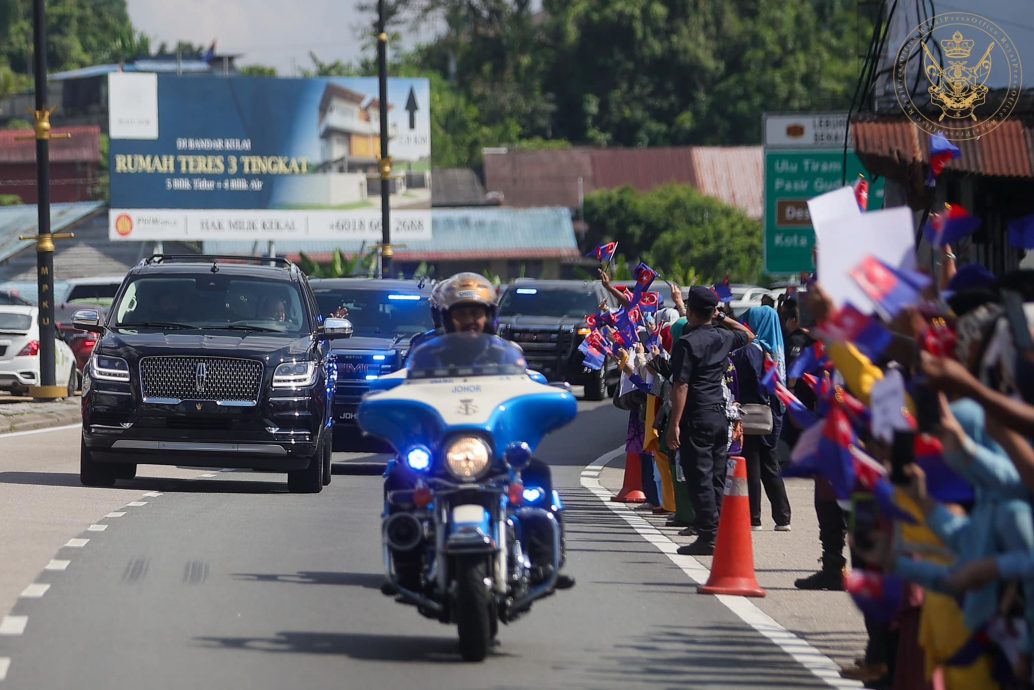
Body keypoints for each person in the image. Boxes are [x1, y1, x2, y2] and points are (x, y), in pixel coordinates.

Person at [387, 272, 574, 589]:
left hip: (494, 447)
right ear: (447, 318)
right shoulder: (426, 353)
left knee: (537, 477)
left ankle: (543, 561)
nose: (470, 320)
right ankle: (406, 565)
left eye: (476, 313)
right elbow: (403, 387)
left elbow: (528, 388)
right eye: (462, 313)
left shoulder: (507, 354)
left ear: (489, 316)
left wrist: (542, 391)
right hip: (441, 446)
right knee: (398, 476)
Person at [666, 286, 755, 555]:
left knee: (699, 477)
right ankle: (719, 531)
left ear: (690, 311)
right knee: (716, 476)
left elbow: (681, 385)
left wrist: (674, 423)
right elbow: (749, 335)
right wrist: (721, 317)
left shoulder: (687, 343)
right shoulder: (723, 337)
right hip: (719, 415)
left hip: (698, 415)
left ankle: (708, 536)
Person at [733, 306, 792, 531]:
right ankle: (783, 517)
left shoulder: (751, 350)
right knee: (771, 464)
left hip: (753, 412)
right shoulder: (776, 348)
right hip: (772, 413)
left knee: (753, 465)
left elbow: (751, 383)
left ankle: (753, 518)